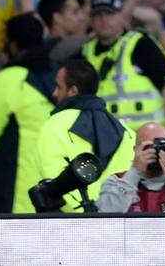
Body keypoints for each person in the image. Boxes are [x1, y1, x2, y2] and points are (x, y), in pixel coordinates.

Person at [36, 59, 135, 213]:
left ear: (73, 91)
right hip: (121, 223)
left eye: (58, 86)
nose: (54, 93)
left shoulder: (55, 125)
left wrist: (88, 217)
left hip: (78, 227)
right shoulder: (126, 131)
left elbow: (55, 184)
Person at [81, 0, 165, 136]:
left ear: (122, 16)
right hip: (109, 144)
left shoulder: (141, 44)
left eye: (110, 14)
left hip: (149, 140)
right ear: (90, 21)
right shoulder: (86, 52)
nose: (103, 20)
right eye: (98, 15)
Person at [0, 14, 57, 213]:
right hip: (62, 192)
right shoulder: (60, 74)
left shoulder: (9, 80)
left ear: (12, 45)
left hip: (19, 197)